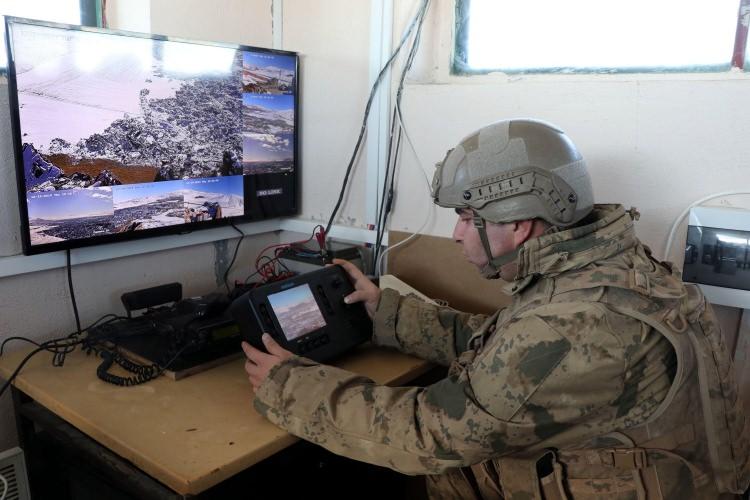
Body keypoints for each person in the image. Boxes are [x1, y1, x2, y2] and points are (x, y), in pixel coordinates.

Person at [242, 119, 749, 499]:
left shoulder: (575, 323)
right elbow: (509, 345)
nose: (458, 233)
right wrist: (385, 313)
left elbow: (430, 435)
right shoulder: (610, 266)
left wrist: (290, 385)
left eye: (467, 217)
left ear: (521, 224)